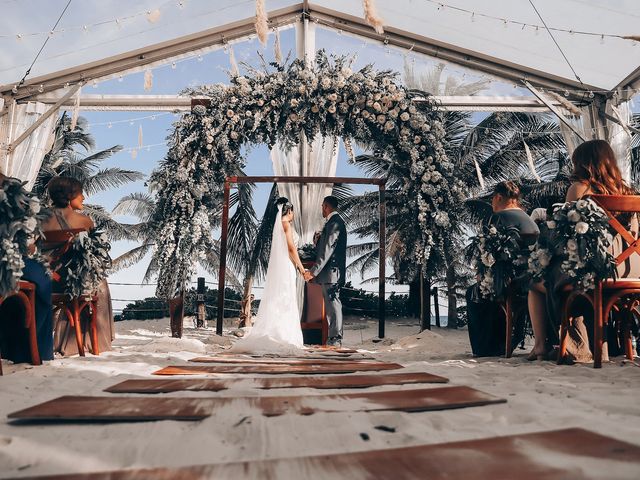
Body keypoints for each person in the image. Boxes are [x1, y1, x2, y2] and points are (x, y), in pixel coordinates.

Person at [528, 139, 639, 361]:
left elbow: (567, 237)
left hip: (594, 271)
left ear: (584, 164)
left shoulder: (579, 189)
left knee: (536, 281)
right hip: (631, 272)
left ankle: (542, 345)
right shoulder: (631, 193)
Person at [41, 176, 114, 355]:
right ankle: (89, 342)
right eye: (80, 193)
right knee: (98, 280)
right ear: (69, 196)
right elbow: (89, 257)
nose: (83, 198)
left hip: (47, 282)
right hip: (74, 285)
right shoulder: (84, 221)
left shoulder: (40, 219)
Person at [466, 181, 539, 357]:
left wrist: (481, 275)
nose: (492, 203)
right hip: (531, 281)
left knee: (474, 292)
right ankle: (510, 339)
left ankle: (489, 347)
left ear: (499, 197)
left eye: (492, 198)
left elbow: (492, 255)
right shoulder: (530, 220)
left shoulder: (499, 218)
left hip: (508, 282)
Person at [230, 197, 305, 353]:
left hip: (284, 265)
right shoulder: (286, 225)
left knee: (282, 298)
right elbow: (291, 249)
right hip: (287, 266)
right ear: (289, 211)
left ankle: (280, 331)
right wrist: (302, 268)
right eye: (293, 212)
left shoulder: (280, 225)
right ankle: (283, 335)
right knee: (285, 298)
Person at [0, 173, 54, 363]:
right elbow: (18, 242)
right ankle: (32, 350)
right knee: (43, 279)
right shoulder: (9, 194)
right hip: (6, 261)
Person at [304, 195, 347, 346]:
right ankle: (333, 338)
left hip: (331, 273)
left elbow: (328, 250)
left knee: (334, 306)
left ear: (326, 206)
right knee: (331, 307)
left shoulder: (335, 223)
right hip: (329, 273)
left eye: (322, 206)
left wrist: (313, 271)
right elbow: (325, 246)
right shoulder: (333, 223)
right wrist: (318, 241)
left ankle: (335, 339)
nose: (322, 209)